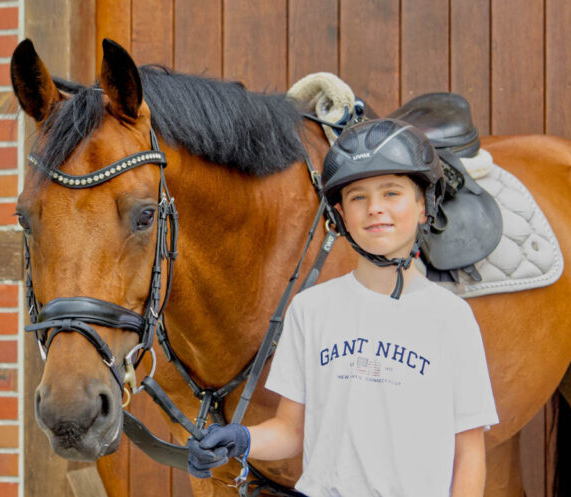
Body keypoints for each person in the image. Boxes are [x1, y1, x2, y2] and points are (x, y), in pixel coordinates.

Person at [187, 118, 499, 497]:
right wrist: (238, 439)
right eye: (358, 198)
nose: (375, 209)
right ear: (341, 216)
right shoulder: (311, 310)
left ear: (423, 206)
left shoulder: (451, 318)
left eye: (392, 193)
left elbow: (468, 454)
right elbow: (291, 431)